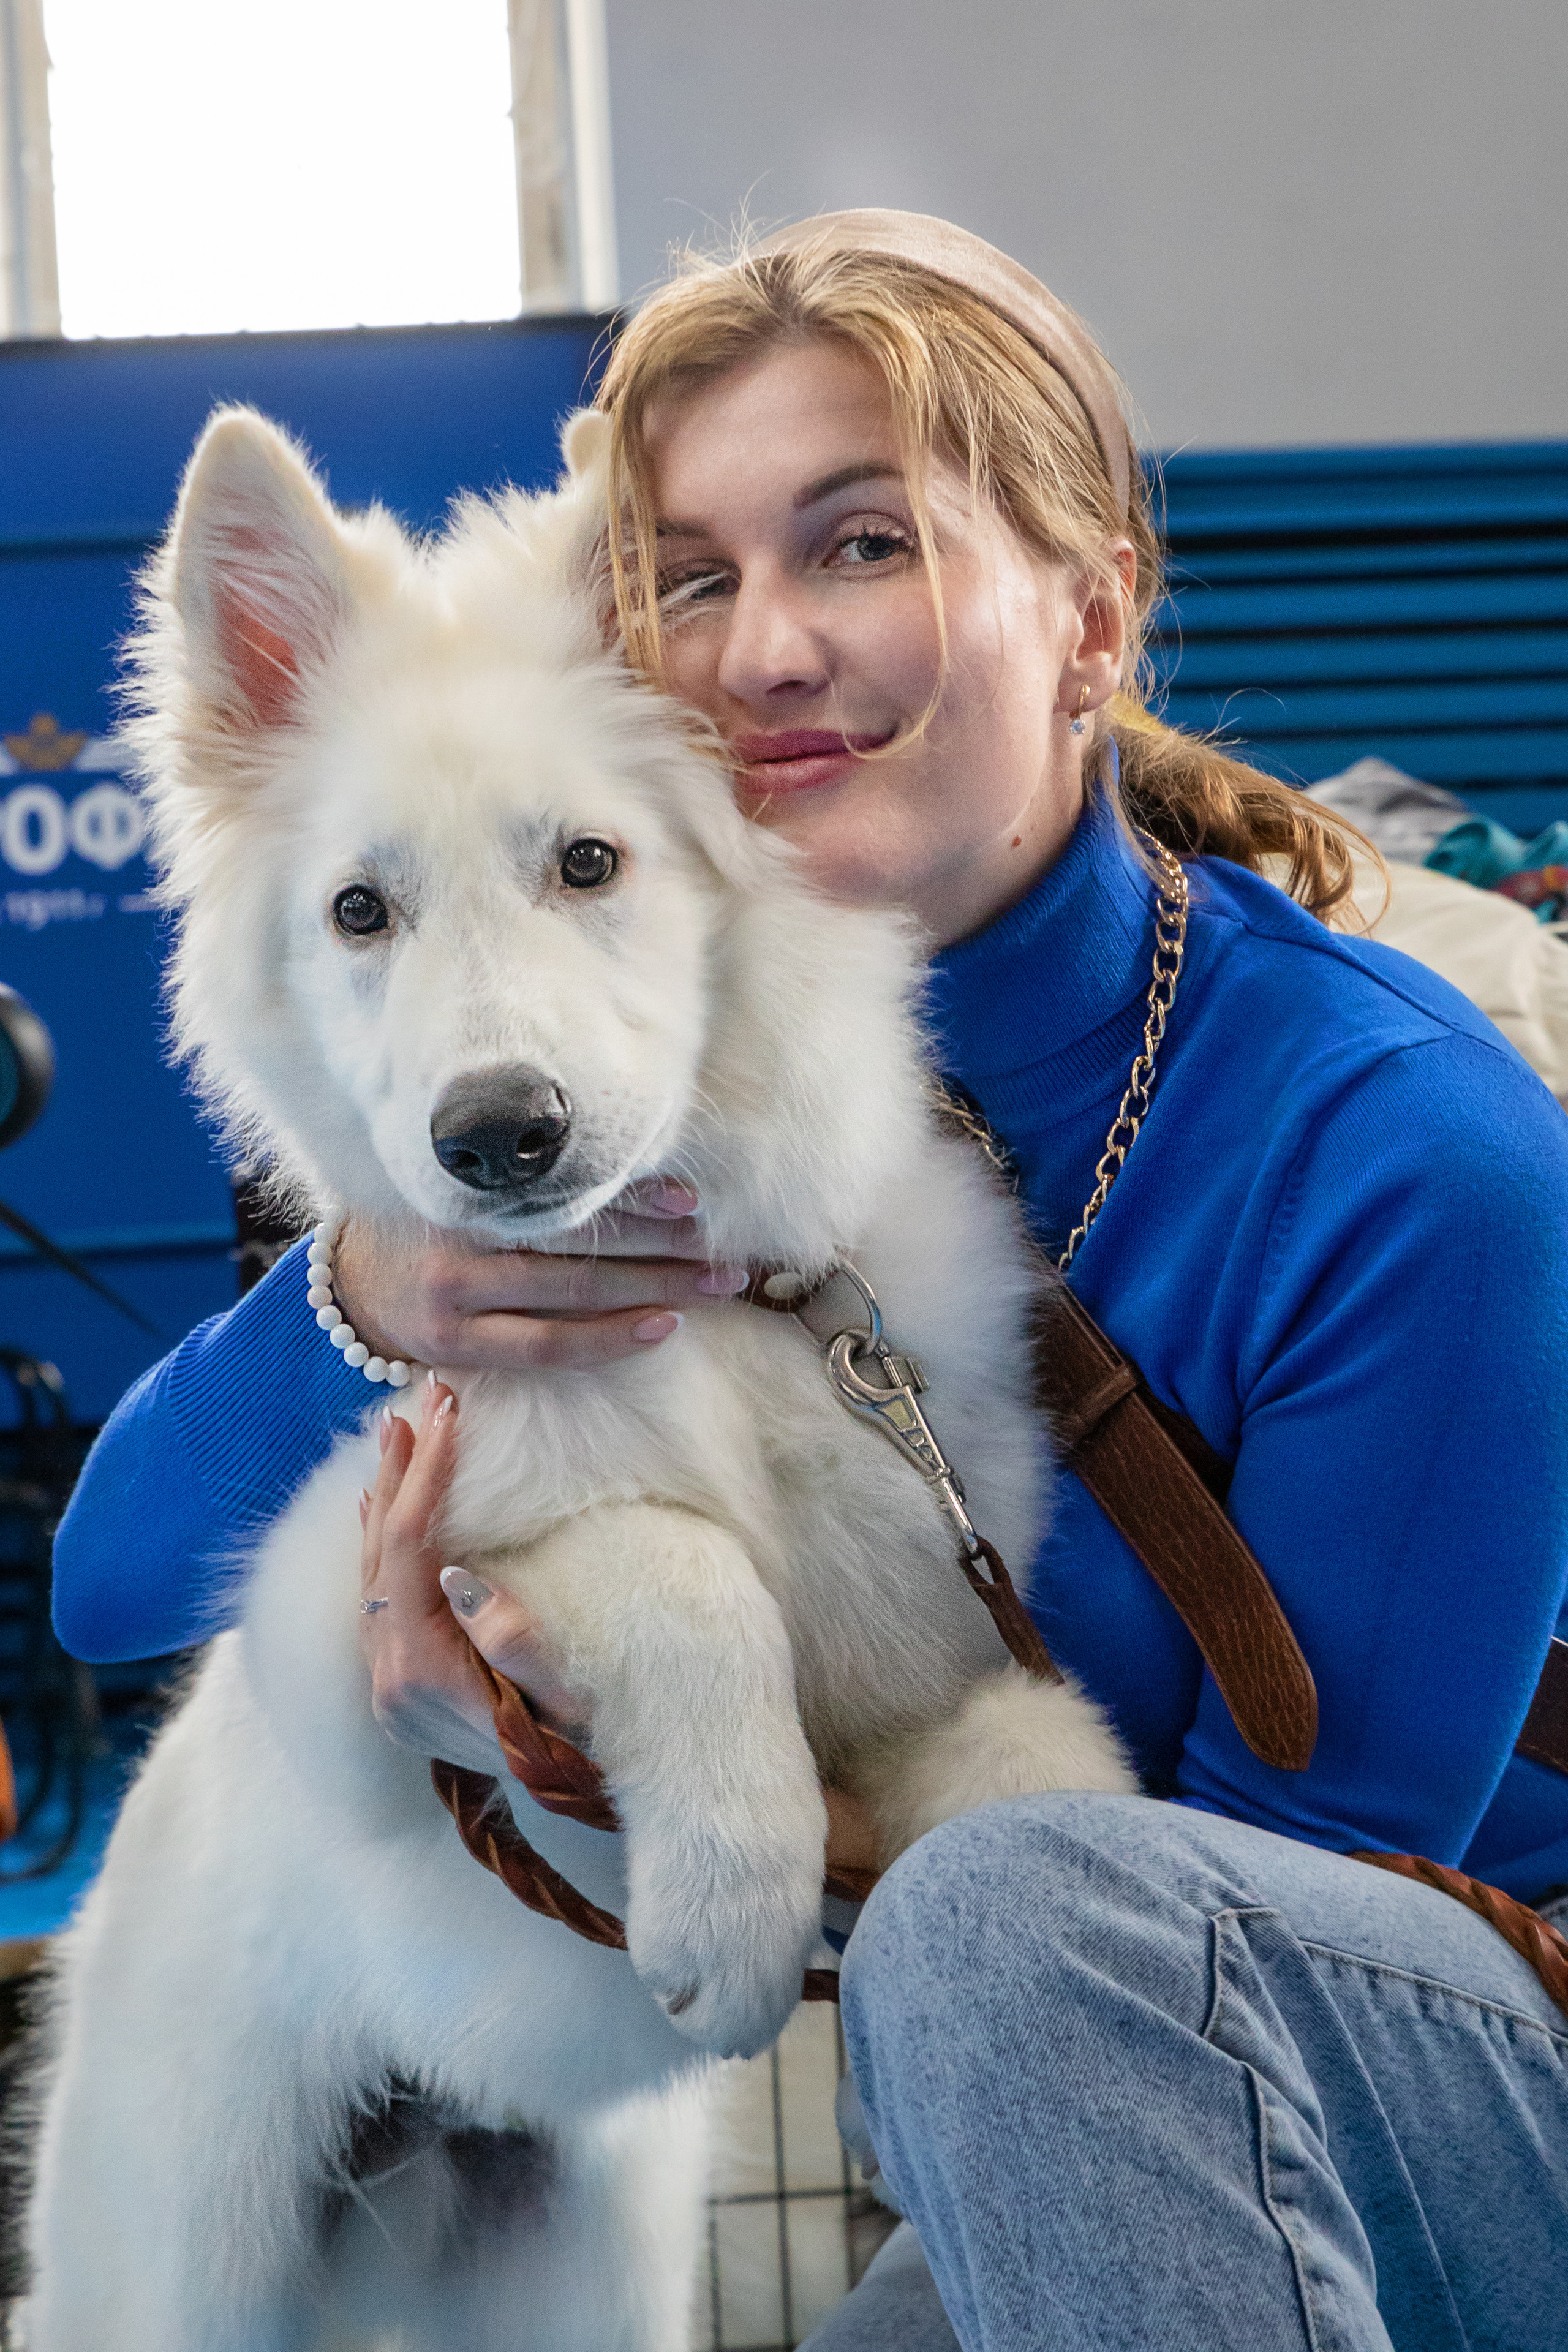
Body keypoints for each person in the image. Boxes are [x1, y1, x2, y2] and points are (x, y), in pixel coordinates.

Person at [54, 213, 1568, 2349]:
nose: (756, 650)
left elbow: (1237, 1920)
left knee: (1034, 1910)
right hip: (1079, 2068)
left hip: (1461, 2045)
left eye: (861, 545)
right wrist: (365, 1299)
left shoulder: (1404, 1146)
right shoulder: (699, 1069)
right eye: (691, 573)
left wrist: (615, 1759)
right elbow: (114, 1584)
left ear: (1092, 613)